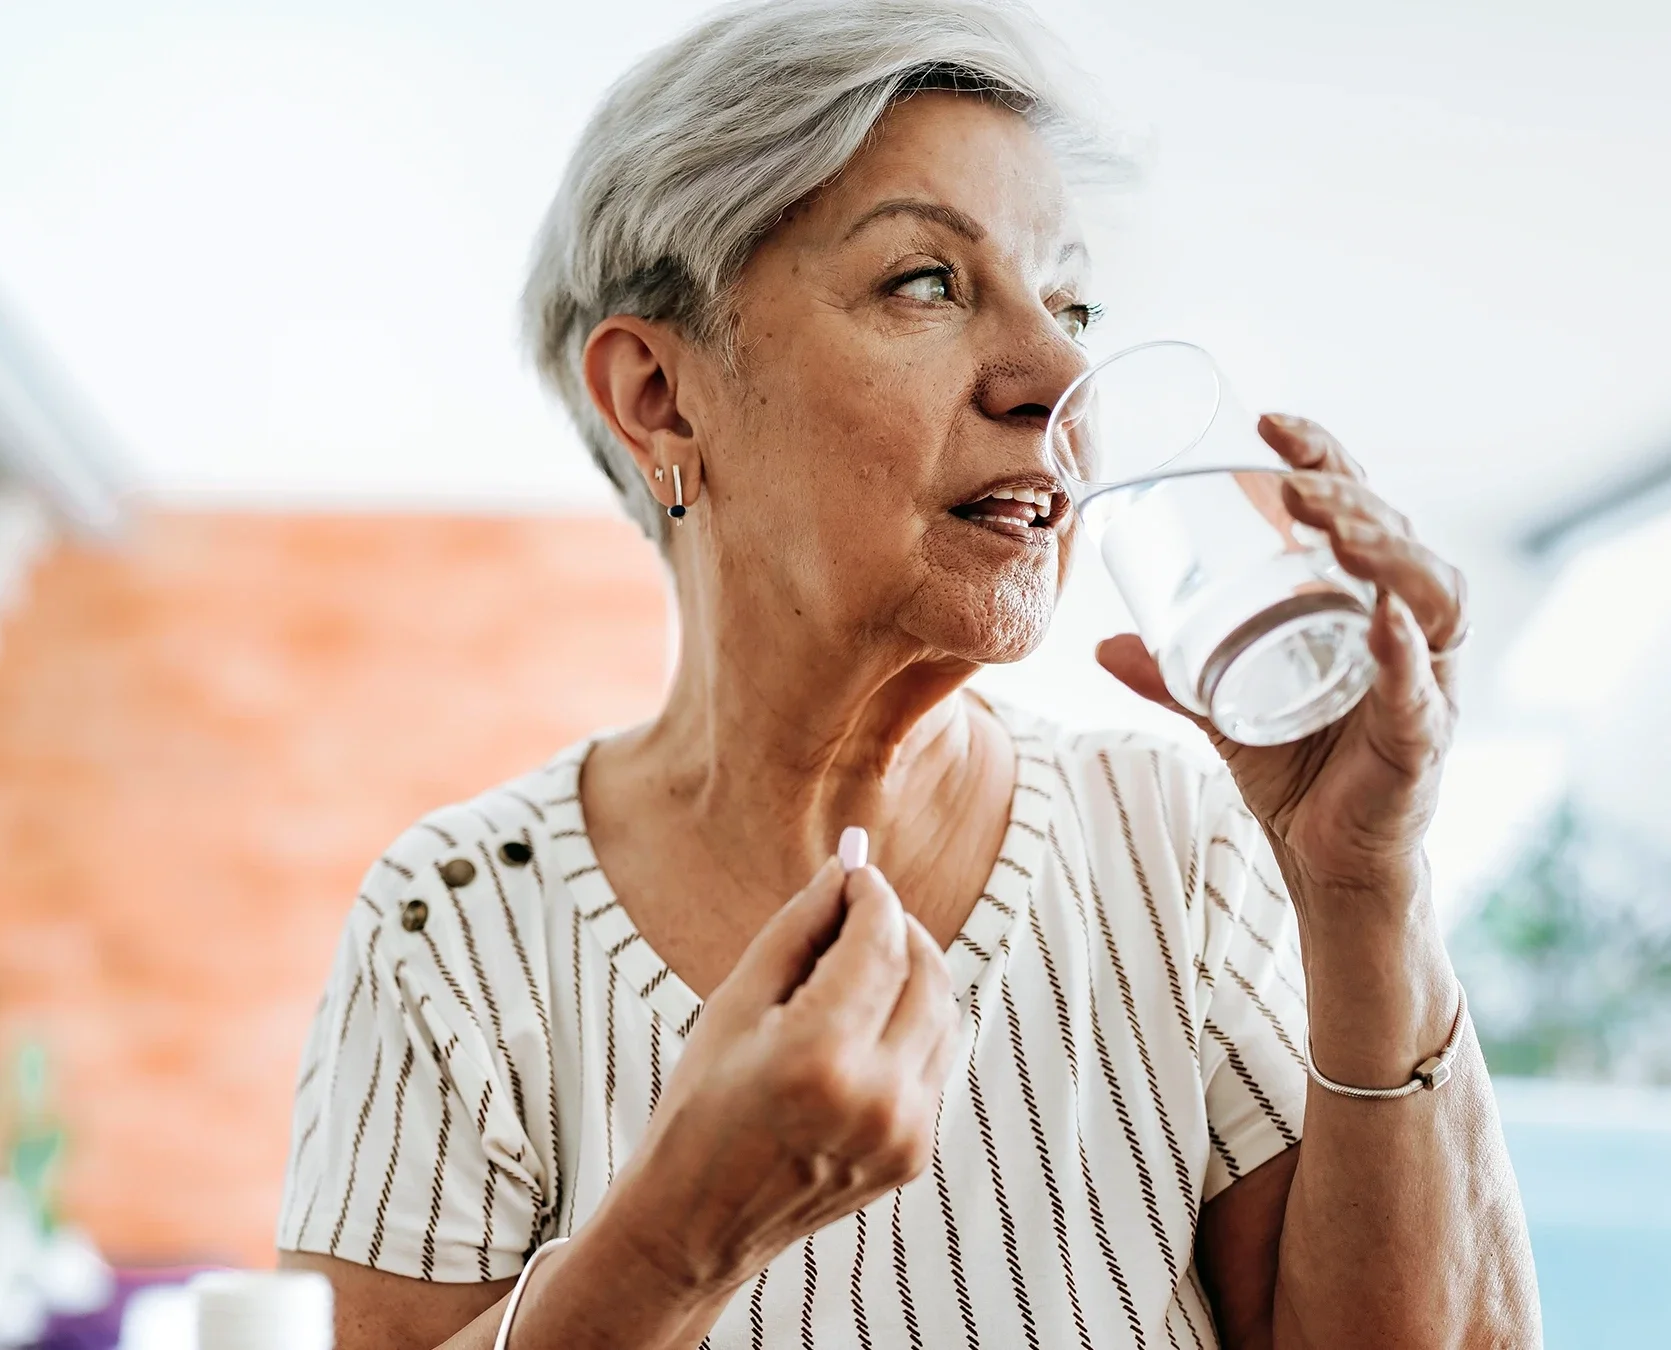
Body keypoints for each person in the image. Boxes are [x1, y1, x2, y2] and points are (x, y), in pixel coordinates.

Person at [276, 1, 1542, 1344]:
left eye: (1073, 300)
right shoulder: (458, 927)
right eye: (925, 281)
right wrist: (668, 1246)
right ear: (659, 396)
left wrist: (1366, 891)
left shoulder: (1175, 850)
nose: (1059, 374)